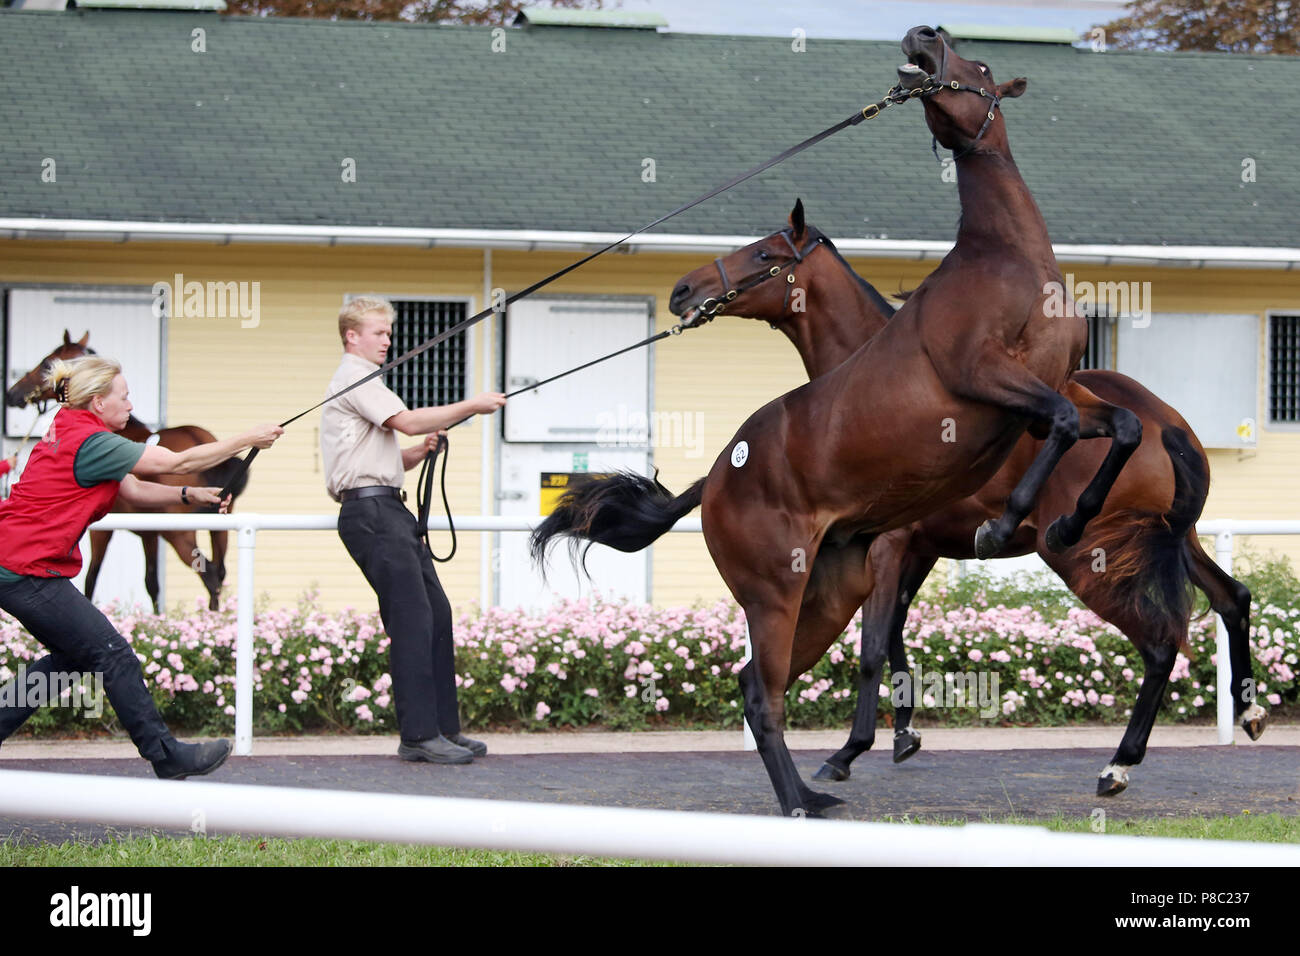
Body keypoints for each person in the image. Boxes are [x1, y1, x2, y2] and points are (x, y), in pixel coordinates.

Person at [0, 355, 284, 778]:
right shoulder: (92, 442)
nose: (131, 405)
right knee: (113, 655)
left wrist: (191, 495)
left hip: (17, 562)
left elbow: (133, 488)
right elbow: (175, 462)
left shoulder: (72, 426)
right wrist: (248, 438)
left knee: (74, 657)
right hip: (25, 568)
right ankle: (166, 757)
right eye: (125, 396)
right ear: (98, 402)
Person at [321, 296, 505, 764]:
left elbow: (378, 457)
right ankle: (419, 735)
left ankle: (443, 728)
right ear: (352, 336)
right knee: (412, 620)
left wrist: (417, 454)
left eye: (388, 332)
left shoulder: (366, 382)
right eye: (379, 332)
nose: (387, 340)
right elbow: (405, 421)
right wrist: (473, 405)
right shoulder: (355, 377)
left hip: (387, 509)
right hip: (372, 515)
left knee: (436, 614)